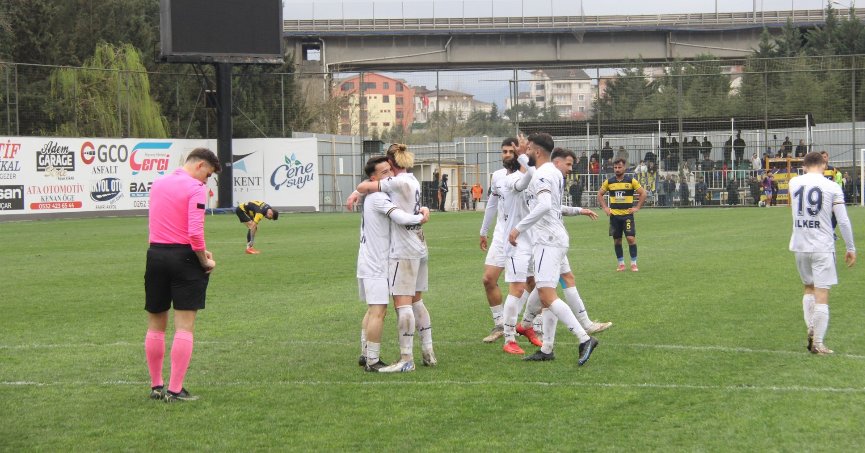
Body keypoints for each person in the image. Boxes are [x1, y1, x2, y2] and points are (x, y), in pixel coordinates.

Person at [508, 137, 600, 365]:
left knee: (547, 294)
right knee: (544, 291)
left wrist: (518, 229)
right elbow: (552, 203)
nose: (527, 151)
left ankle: (584, 338)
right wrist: (522, 154)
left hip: (547, 241)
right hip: (555, 238)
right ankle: (546, 347)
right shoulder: (550, 171)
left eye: (530, 149)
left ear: (538, 151)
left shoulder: (543, 174)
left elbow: (545, 205)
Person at [350, 144, 436, 372]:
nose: (388, 174)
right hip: (410, 248)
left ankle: (403, 359)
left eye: (389, 169)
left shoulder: (389, 186)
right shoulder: (408, 181)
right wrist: (422, 214)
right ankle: (425, 353)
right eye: (383, 172)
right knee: (399, 305)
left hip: (401, 252)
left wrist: (358, 191)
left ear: (392, 163)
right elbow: (372, 191)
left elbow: (365, 187)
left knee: (394, 306)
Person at [144, 147, 220, 402]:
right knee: (184, 326)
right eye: (208, 175)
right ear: (200, 166)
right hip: (184, 259)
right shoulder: (195, 188)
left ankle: (156, 386)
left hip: (156, 255)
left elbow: (156, 224)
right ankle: (175, 390)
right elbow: (195, 233)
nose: (206, 181)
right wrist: (204, 260)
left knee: (156, 324)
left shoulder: (158, 184)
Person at [788, 151, 856, 355]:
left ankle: (811, 327)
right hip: (822, 246)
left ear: (804, 166)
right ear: (824, 166)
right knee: (822, 292)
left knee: (808, 288)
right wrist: (850, 247)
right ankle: (817, 342)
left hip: (800, 245)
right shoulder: (832, 187)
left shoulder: (794, 183)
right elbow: (842, 221)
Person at [479, 138, 519, 343]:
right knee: (488, 279)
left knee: (531, 282)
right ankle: (500, 324)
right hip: (501, 234)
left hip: (523, 235)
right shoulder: (497, 176)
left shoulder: (528, 176)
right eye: (504, 151)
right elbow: (492, 204)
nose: (507, 155)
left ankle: (536, 326)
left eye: (511, 151)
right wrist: (483, 231)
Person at [598, 158, 647, 272]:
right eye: (615, 167)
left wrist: (637, 207)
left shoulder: (631, 181)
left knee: (630, 238)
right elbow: (600, 194)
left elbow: (643, 193)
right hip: (614, 217)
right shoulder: (609, 182)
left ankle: (633, 264)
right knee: (617, 241)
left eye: (619, 167)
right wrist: (605, 208)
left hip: (627, 216)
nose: (617, 169)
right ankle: (621, 264)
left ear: (624, 168)